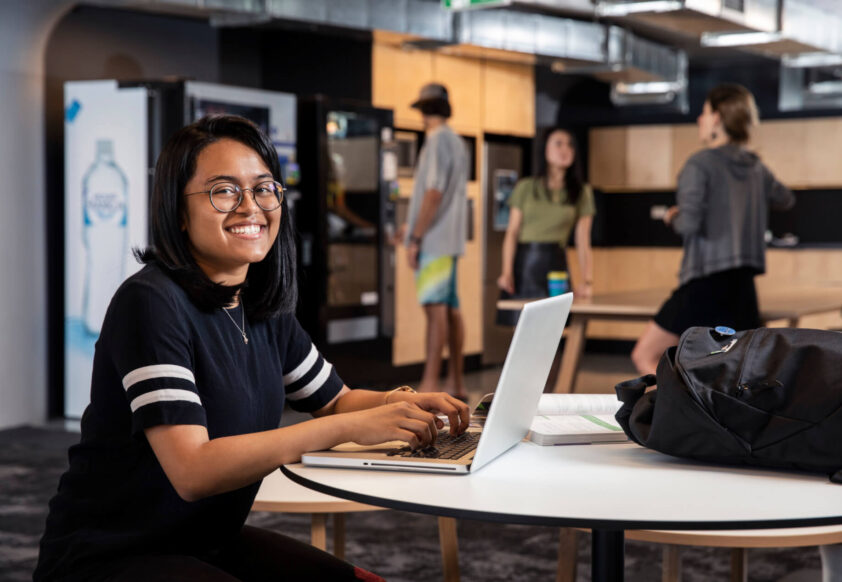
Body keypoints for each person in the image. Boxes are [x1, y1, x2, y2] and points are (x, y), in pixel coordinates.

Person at [34, 115, 470, 582]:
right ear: (177, 211)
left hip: (204, 542)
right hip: (109, 555)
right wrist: (352, 425)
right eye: (224, 191)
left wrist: (396, 404)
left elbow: (335, 401)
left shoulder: (260, 303)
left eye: (264, 188)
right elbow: (193, 469)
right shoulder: (150, 303)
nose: (251, 207)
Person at [631, 83, 795, 375]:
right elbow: (785, 198)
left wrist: (672, 216)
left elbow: (689, 224)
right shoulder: (756, 167)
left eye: (704, 113)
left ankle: (669, 419)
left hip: (704, 283)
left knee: (647, 355)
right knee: (729, 372)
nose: (700, 119)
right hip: (743, 288)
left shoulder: (700, 163)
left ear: (718, 117)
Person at [402, 83, 469, 400]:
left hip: (434, 240)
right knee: (451, 310)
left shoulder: (437, 140)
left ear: (423, 110)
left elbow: (433, 192)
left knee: (435, 310)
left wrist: (415, 236)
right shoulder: (456, 141)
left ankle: (429, 385)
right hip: (450, 238)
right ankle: (456, 383)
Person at [496, 127, 595, 301]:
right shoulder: (525, 187)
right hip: (525, 263)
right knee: (521, 323)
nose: (565, 150)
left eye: (570, 145)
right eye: (558, 144)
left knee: (557, 323)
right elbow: (512, 232)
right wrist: (506, 271)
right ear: (545, 150)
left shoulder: (581, 192)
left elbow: (583, 240)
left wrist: (587, 281)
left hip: (557, 265)